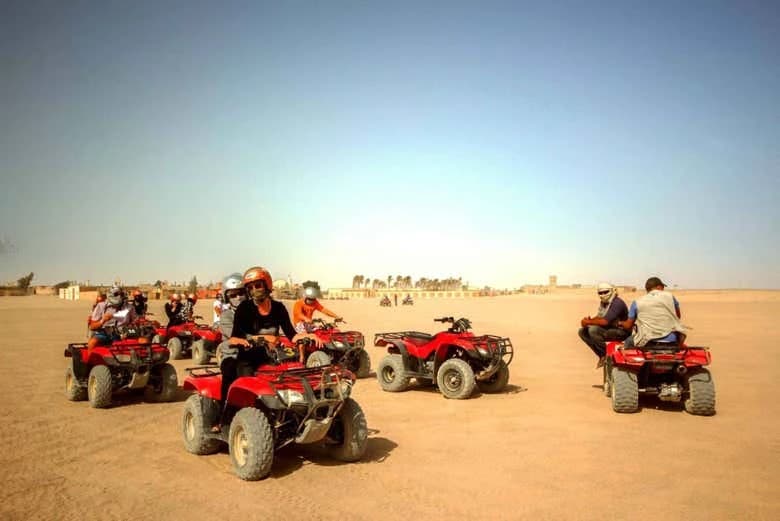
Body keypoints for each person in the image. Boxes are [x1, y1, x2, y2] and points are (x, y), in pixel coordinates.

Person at [213, 266, 321, 432]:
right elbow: (236, 338)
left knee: (290, 375)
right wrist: (263, 339)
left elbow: (291, 334)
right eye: (250, 288)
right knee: (240, 382)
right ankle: (226, 419)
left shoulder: (277, 307)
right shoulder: (237, 312)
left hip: (268, 356)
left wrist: (308, 336)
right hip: (241, 357)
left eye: (258, 286)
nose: (253, 291)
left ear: (267, 285)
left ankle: (295, 414)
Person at [618, 276, 685, 348]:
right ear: (659, 287)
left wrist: (619, 323)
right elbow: (678, 316)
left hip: (647, 341)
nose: (663, 289)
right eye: (663, 287)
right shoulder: (670, 296)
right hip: (671, 339)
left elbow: (628, 325)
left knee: (628, 341)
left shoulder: (637, 302)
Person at [578, 283, 629, 366]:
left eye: (605, 292)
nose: (603, 295)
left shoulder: (617, 303)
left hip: (621, 331)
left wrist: (589, 322)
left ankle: (607, 355)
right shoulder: (604, 302)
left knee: (593, 330)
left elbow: (605, 321)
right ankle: (602, 355)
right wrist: (589, 320)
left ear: (612, 291)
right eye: (600, 293)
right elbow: (599, 317)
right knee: (582, 331)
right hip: (611, 329)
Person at [86, 285, 137, 352]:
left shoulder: (129, 307)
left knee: (138, 343)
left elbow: (135, 321)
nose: (119, 296)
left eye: (121, 294)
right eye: (116, 294)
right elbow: (92, 326)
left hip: (122, 333)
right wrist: (103, 321)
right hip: (104, 333)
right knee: (92, 342)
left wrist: (131, 327)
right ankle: (89, 360)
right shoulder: (101, 306)